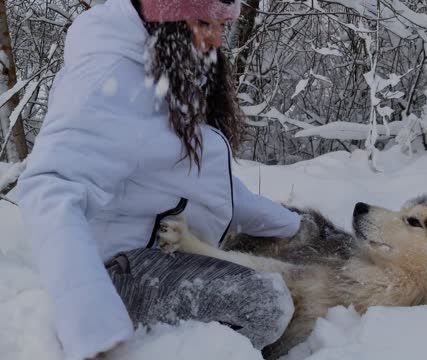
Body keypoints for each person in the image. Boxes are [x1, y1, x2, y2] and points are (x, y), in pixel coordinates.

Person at [15, 0, 302, 359]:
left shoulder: (167, 67)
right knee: (267, 303)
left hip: (160, 256)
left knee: (274, 284)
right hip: (119, 274)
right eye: (203, 23)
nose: (215, 40)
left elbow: (206, 184)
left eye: (222, 26)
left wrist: (293, 224)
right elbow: (49, 185)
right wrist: (89, 314)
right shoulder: (111, 74)